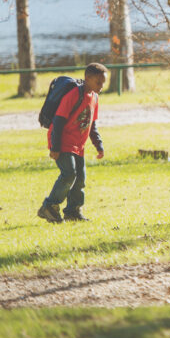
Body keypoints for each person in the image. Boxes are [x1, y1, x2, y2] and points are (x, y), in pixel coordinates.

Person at [37, 62, 108, 223]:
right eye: (98, 82)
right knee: (69, 174)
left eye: (103, 82)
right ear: (87, 78)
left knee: (80, 178)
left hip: (78, 145)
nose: (101, 86)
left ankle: (73, 211)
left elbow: (92, 124)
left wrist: (98, 144)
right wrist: (55, 147)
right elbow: (59, 121)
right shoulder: (74, 95)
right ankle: (49, 206)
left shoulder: (95, 97)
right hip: (62, 141)